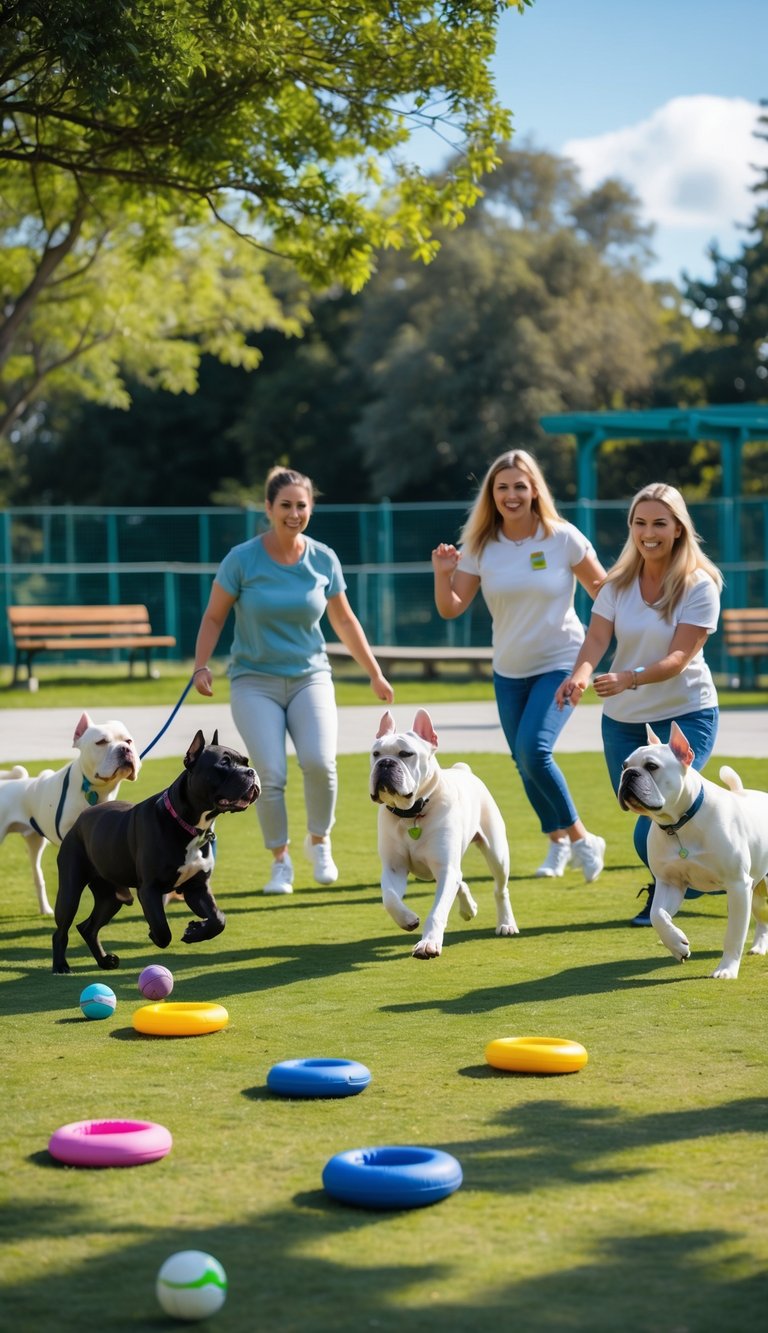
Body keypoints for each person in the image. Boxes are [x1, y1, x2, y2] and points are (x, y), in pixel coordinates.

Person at [192, 466, 394, 895]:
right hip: (253, 681)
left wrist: (374, 672)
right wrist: (200, 664)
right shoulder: (242, 559)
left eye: (302, 505)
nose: (294, 513)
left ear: (310, 508)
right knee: (269, 773)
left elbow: (344, 619)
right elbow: (213, 616)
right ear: (268, 508)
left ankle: (319, 841)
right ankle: (280, 860)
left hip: (310, 678)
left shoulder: (323, 558)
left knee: (321, 764)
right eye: (285, 505)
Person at [432, 449, 608, 882]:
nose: (511, 495)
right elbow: (452, 607)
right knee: (523, 760)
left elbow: (604, 593)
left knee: (535, 750)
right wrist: (441, 571)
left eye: (520, 487)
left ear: (534, 491)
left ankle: (585, 839)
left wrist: (589, 662)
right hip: (508, 671)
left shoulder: (562, 537)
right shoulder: (480, 546)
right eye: (502, 487)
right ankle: (557, 841)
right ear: (492, 494)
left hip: (561, 661)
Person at [555, 482, 722, 925]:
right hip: (624, 722)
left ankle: (693, 882)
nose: (649, 532)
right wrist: (579, 675)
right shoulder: (617, 585)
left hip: (686, 713)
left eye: (660, 523)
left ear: (679, 529)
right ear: (631, 527)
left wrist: (631, 678)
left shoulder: (699, 585)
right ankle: (688, 879)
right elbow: (596, 638)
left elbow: (679, 657)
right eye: (641, 522)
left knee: (655, 817)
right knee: (637, 805)